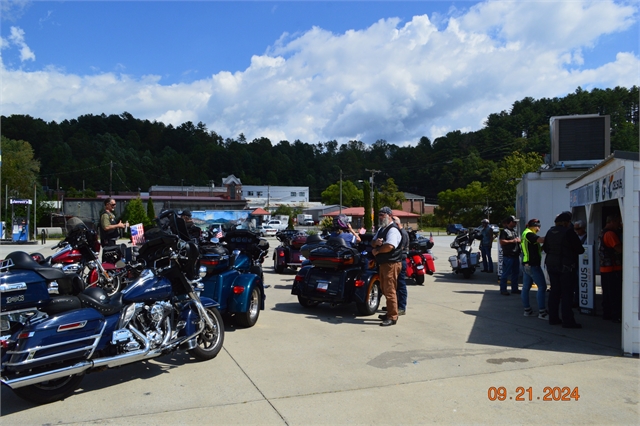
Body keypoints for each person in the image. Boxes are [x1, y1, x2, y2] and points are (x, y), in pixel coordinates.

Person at [542, 211, 585, 328]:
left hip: (551, 265)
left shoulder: (550, 232)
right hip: (566, 267)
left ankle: (553, 318)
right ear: (566, 222)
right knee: (567, 294)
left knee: (554, 292)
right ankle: (568, 320)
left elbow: (545, 248)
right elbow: (580, 249)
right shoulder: (569, 232)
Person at [371, 207, 403, 327]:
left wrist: (378, 250)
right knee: (384, 289)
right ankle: (389, 312)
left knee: (390, 290)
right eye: (379, 215)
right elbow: (372, 242)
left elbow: (390, 246)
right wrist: (376, 244)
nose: (380, 217)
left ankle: (392, 317)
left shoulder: (393, 230)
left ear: (390, 215)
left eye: (382, 215)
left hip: (391, 263)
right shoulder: (381, 229)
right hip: (384, 263)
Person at [520, 219, 548, 319]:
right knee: (542, 287)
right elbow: (540, 240)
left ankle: (527, 310)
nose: (539, 229)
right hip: (532, 265)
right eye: (538, 227)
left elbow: (536, 248)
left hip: (527, 264)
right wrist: (551, 236)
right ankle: (542, 312)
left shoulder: (526, 234)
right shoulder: (528, 233)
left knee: (526, 287)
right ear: (533, 226)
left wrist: (543, 247)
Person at [598, 214, 623, 323]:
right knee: (614, 293)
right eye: (618, 222)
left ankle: (607, 314)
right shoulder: (610, 234)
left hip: (605, 268)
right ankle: (615, 315)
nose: (619, 225)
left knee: (607, 293)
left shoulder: (602, 232)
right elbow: (619, 249)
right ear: (612, 222)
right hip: (613, 268)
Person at [498, 215, 521, 296]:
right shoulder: (504, 231)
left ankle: (514, 289)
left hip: (515, 255)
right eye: (514, 222)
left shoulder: (514, 231)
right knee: (506, 273)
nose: (515, 223)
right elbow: (502, 242)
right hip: (508, 255)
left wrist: (518, 241)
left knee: (515, 273)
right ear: (510, 222)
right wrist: (512, 241)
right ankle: (503, 289)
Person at [393, 216, 408, 315]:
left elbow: (400, 248)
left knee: (401, 285)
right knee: (395, 285)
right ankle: (394, 305)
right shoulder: (399, 232)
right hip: (396, 261)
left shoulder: (402, 233)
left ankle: (402, 307)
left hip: (401, 260)